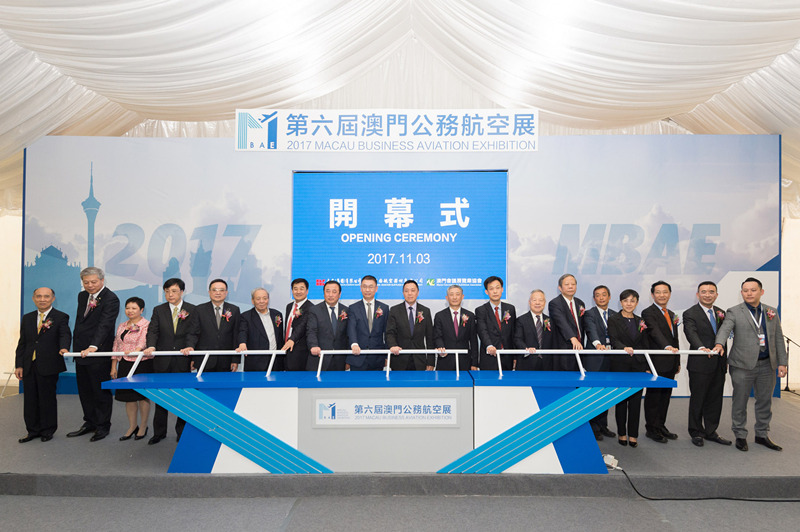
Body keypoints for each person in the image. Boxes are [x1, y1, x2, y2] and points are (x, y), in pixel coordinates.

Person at [713, 277, 788, 452]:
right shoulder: (734, 311)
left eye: (753, 290)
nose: (749, 293)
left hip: (767, 365)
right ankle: (740, 435)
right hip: (742, 365)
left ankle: (762, 434)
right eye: (745, 290)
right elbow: (724, 329)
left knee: (764, 401)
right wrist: (719, 344)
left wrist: (782, 363)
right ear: (741, 293)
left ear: (761, 292)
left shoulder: (771, 311)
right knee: (740, 401)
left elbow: (778, 337)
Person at [68, 267, 120, 442]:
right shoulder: (82, 296)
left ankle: (103, 426)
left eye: (93, 282)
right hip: (81, 351)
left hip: (98, 351)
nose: (90, 285)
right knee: (85, 390)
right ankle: (89, 422)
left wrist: (93, 346)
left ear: (102, 280)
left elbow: (105, 325)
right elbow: (81, 323)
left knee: (99, 391)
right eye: (86, 282)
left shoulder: (111, 298)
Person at [144, 278, 196, 445]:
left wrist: (191, 349)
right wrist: (151, 346)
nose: (170, 294)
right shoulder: (158, 310)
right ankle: (159, 433)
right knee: (161, 397)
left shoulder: (192, 309)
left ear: (182, 292)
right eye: (167, 291)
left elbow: (194, 333)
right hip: (162, 360)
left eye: (174, 291)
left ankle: (182, 432)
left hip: (183, 359)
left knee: (183, 397)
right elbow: (153, 331)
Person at [15, 287, 71, 443]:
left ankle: (47, 430)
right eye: (38, 296)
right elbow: (22, 343)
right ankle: (32, 430)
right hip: (29, 365)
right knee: (30, 400)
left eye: (46, 296)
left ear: (53, 298)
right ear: (33, 298)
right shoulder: (27, 318)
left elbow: (65, 334)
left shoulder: (60, 317)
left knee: (47, 399)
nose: (42, 299)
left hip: (49, 364)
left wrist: (64, 347)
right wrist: (19, 364)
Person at [682, 281, 731, 447]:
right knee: (698, 399)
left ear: (716, 295)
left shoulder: (721, 313)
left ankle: (711, 431)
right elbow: (691, 332)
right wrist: (701, 348)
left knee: (715, 399)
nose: (707, 295)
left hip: (719, 363)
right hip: (700, 363)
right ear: (698, 294)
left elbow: (724, 336)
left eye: (711, 292)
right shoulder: (690, 313)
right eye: (704, 292)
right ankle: (696, 431)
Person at [606, 289, 649, 448]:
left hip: (638, 365)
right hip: (620, 364)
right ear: (621, 302)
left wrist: (646, 366)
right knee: (622, 401)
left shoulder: (641, 321)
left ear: (636, 302)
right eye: (625, 301)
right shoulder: (614, 319)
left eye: (632, 301)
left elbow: (645, 344)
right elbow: (614, 339)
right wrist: (624, 348)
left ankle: (633, 434)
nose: (629, 304)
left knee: (636, 402)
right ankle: (622, 433)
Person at [641, 280, 681, 444]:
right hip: (656, 362)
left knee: (665, 396)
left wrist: (677, 360)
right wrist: (666, 346)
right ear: (652, 295)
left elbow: (675, 339)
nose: (662, 295)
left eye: (665, 292)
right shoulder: (648, 312)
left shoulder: (671, 314)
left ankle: (661, 426)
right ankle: (651, 429)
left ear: (669, 294)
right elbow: (655, 332)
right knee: (654, 397)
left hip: (671, 362)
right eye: (658, 292)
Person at [110, 297, 152, 441]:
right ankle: (132, 426)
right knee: (129, 398)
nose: (130, 311)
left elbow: (143, 342)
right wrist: (113, 366)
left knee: (142, 397)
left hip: (142, 364)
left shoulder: (146, 324)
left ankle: (143, 426)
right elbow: (116, 345)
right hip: (125, 363)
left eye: (134, 308)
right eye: (128, 308)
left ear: (141, 310)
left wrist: (136, 350)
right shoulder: (122, 325)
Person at [185, 279, 241, 373]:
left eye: (221, 290)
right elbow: (193, 333)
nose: (218, 293)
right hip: (204, 359)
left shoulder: (234, 310)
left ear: (226, 293)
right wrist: (192, 354)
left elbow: (236, 335)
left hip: (226, 360)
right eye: (214, 290)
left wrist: (235, 359)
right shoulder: (199, 310)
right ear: (209, 292)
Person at [583, 285, 617, 440]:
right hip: (594, 359)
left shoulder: (615, 315)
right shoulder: (589, 313)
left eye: (604, 295)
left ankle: (603, 426)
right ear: (594, 298)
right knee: (593, 394)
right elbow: (591, 330)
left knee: (606, 393)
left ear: (609, 297)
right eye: (598, 295)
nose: (601, 298)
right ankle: (593, 427)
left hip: (611, 359)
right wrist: (597, 344)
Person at [386, 280, 435, 370]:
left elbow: (430, 338)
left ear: (418, 292)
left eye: (413, 290)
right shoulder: (394, 310)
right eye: (406, 291)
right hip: (399, 358)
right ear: (403, 293)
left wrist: (430, 361)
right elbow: (390, 333)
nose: (409, 293)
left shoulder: (425, 311)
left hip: (419, 360)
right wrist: (393, 345)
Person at [347, 275, 390, 370]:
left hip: (377, 357)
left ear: (376, 289)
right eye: (364, 286)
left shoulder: (384, 308)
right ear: (361, 288)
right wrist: (354, 344)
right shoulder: (353, 308)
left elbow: (387, 333)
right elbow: (351, 328)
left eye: (371, 287)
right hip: (358, 355)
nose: (367, 290)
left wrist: (387, 355)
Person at [237, 288, 284, 372]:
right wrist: (242, 343)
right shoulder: (246, 316)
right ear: (252, 301)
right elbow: (242, 331)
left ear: (268, 299)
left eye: (265, 298)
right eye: (258, 299)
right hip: (255, 363)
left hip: (276, 361)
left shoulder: (277, 314)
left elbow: (280, 336)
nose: (262, 301)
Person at [306, 280, 350, 371]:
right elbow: (311, 331)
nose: (330, 295)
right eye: (328, 291)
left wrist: (349, 359)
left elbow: (349, 335)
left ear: (339, 294)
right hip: (319, 358)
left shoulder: (347, 310)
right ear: (324, 293)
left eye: (334, 292)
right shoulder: (314, 310)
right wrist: (313, 345)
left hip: (340, 360)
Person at [433, 285, 478, 371]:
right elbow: (437, 336)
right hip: (445, 360)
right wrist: (441, 347)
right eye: (451, 294)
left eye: (457, 294)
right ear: (447, 297)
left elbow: (473, 341)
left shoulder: (470, 316)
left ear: (462, 296)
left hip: (465, 361)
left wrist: (474, 363)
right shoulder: (439, 316)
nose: (454, 297)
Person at [476, 276, 516, 371]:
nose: (495, 291)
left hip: (507, 357)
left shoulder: (510, 309)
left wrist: (515, 356)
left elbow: (513, 333)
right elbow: (482, 331)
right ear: (486, 292)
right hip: (489, 356)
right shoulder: (481, 310)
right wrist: (489, 345)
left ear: (502, 289)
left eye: (497, 288)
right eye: (491, 289)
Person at [548, 273, 586, 371]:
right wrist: (573, 338)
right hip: (564, 349)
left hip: (580, 348)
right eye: (567, 284)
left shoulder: (580, 303)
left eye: (573, 284)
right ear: (560, 288)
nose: (570, 286)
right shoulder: (555, 303)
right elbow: (562, 322)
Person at [513, 289, 553, 371]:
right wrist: (526, 349)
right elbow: (517, 339)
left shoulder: (550, 321)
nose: (537, 303)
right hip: (527, 362)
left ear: (545, 303)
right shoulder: (521, 320)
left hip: (547, 364)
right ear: (529, 302)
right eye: (534, 300)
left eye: (541, 300)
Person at [281, 278, 314, 371]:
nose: (298, 292)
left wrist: (292, 339)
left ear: (307, 291)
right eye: (295, 289)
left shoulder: (311, 308)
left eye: (301, 289)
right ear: (292, 291)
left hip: (300, 354)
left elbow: (302, 326)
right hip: (286, 351)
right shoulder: (289, 306)